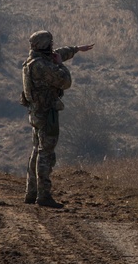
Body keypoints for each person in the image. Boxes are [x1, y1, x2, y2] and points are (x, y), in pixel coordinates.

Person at [21, 30, 94, 208]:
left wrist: (76, 49)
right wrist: (62, 66)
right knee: (46, 154)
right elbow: (64, 81)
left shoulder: (33, 60)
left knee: (36, 152)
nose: (53, 46)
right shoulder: (42, 66)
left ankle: (31, 192)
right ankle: (43, 195)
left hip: (36, 113)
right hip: (47, 114)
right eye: (50, 43)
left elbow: (57, 54)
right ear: (45, 45)